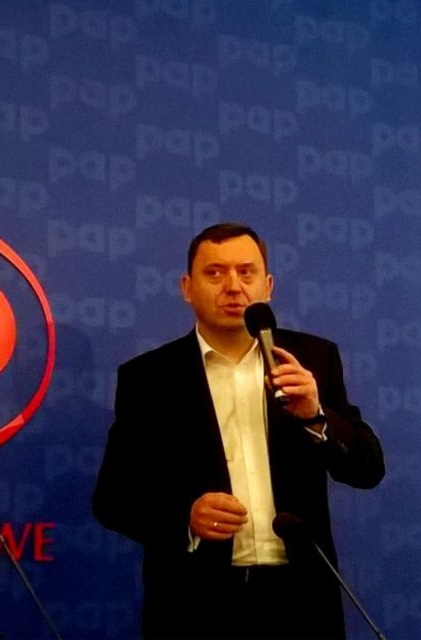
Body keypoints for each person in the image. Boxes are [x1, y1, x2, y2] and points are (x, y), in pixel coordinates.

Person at [93, 223, 384, 639]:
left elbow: (368, 469)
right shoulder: (149, 377)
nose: (233, 287)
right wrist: (185, 517)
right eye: (215, 273)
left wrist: (316, 416)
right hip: (195, 602)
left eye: (246, 273)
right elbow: (112, 499)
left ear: (268, 285)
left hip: (301, 600)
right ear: (187, 288)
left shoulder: (312, 359)